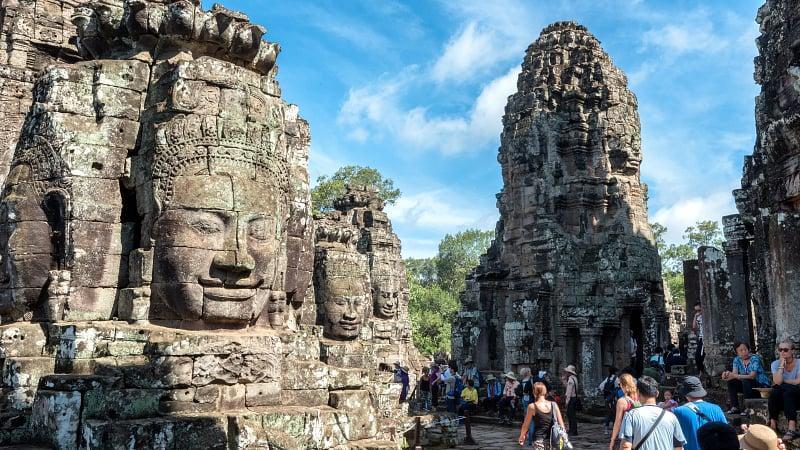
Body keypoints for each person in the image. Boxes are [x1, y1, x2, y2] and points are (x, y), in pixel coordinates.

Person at [619, 376, 686, 450]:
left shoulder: (631, 415)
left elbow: (626, 445)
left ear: (638, 393)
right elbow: (679, 447)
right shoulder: (671, 417)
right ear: (657, 393)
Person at [673, 376, 727, 450]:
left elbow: (674, 439)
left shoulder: (679, 411)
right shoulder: (716, 409)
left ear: (685, 394)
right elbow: (726, 434)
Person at [722, 341, 770, 414]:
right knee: (731, 382)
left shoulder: (755, 359)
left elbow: (752, 376)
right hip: (747, 386)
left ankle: (747, 408)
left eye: (745, 349)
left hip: (760, 386)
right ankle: (735, 407)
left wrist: (735, 376)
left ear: (748, 350)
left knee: (745, 380)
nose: (744, 352)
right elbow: (734, 374)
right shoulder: (737, 360)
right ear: (737, 352)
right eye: (741, 350)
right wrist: (726, 375)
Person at [519, 382, 566, 449]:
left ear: (534, 392)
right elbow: (561, 424)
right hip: (553, 439)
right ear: (545, 391)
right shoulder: (554, 404)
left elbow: (526, 425)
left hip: (539, 439)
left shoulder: (532, 406)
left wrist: (522, 436)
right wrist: (563, 437)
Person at [768, 340, 800, 441]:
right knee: (775, 391)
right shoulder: (775, 364)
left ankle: (791, 427)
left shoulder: (799, 363)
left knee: (786, 392)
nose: (782, 352)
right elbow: (777, 381)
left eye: (785, 350)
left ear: (793, 351)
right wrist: (781, 365)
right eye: (780, 350)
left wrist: (783, 382)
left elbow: (798, 382)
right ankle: (773, 422)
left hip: (797, 395)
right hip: (782, 397)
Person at [610, 373, 640, 450]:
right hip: (639, 434)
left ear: (623, 385)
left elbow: (618, 422)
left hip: (626, 435)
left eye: (620, 384)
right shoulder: (639, 398)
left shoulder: (622, 401)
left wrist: (613, 439)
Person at [600, 367, 621, 435]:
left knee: (608, 413)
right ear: (615, 372)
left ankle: (606, 429)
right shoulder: (616, 379)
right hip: (614, 399)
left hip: (607, 399)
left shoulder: (607, 378)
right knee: (615, 414)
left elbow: (600, 387)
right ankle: (616, 429)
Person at [563, 365, 580, 437]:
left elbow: (568, 392)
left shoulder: (570, 379)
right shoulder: (574, 378)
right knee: (573, 415)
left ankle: (572, 430)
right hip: (575, 398)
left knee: (570, 415)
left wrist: (567, 401)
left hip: (571, 399)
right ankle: (574, 430)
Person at [692, 304, 705, 374]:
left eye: (699, 310)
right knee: (697, 357)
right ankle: (701, 371)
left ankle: (702, 372)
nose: (698, 312)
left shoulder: (706, 316)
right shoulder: (698, 317)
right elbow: (694, 327)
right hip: (701, 338)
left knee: (700, 356)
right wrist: (695, 316)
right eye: (696, 311)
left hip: (705, 338)